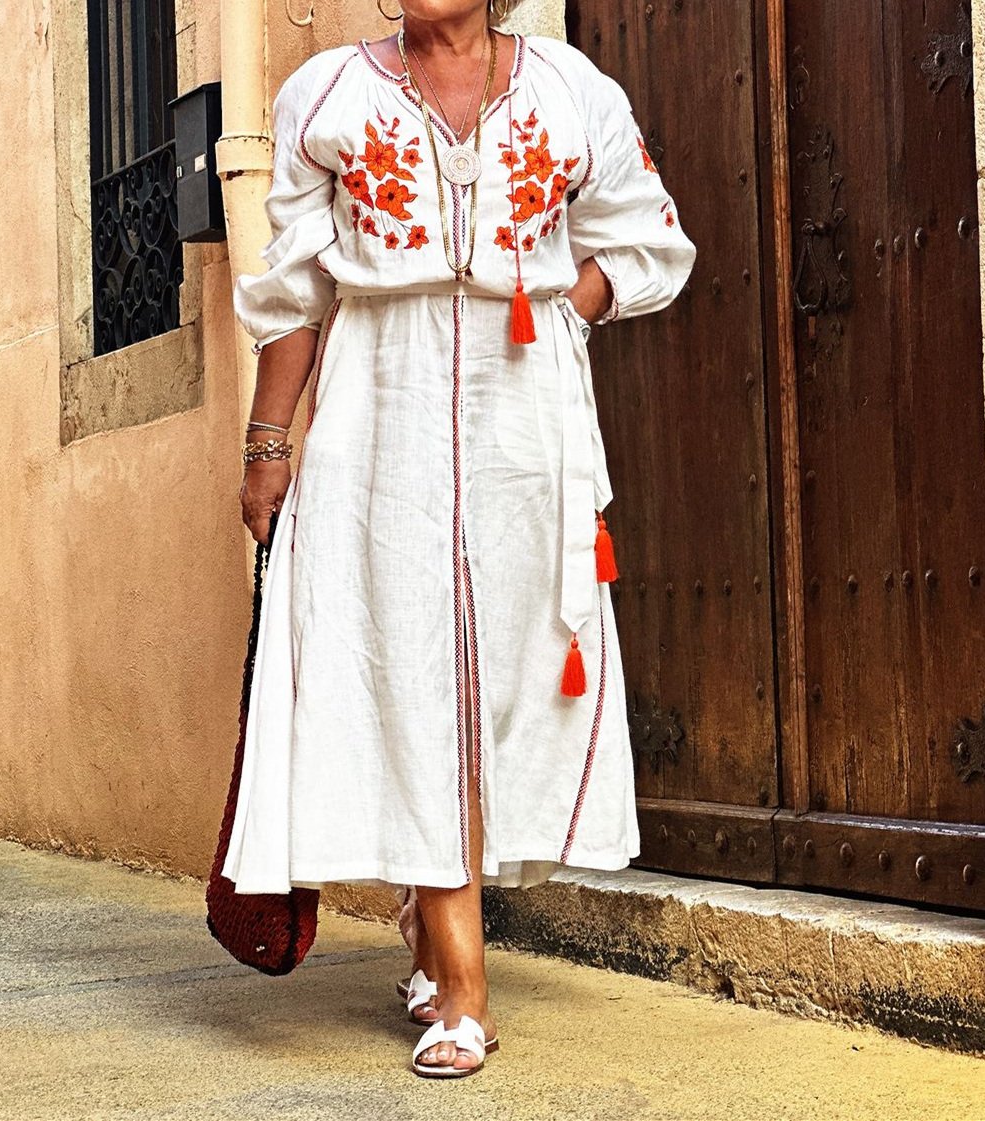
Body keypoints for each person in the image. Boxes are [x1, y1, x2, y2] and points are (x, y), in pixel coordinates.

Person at [222, 0, 696, 1078]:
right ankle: (464, 991)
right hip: (374, 406)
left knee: (506, 670)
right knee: (409, 669)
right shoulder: (325, 96)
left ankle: (433, 921)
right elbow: (295, 295)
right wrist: (266, 444)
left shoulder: (575, 90)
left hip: (523, 412)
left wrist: (566, 309)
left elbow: (649, 237)